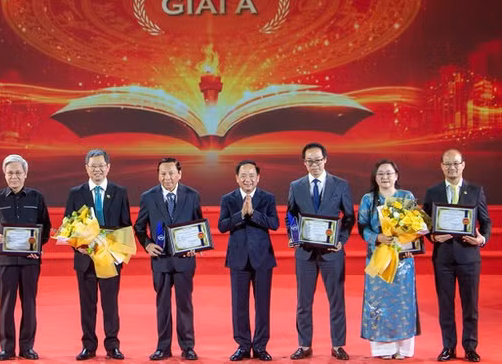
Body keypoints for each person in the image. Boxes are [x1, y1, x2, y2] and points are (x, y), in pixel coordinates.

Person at [286, 143, 355, 360]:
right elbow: (290, 215)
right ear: (304, 162)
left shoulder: (340, 185)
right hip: (305, 254)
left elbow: (349, 217)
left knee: (336, 300)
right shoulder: (296, 186)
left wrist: (341, 240)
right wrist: (295, 236)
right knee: (303, 301)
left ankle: (338, 345)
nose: (314, 164)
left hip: (332, 253)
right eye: (309, 161)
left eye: (317, 160)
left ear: (325, 159)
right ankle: (304, 345)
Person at [422, 149, 492, 363]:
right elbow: (425, 223)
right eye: (447, 164)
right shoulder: (433, 192)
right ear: (441, 166)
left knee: (470, 304)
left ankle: (470, 346)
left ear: (463, 165)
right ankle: (448, 347)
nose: (451, 168)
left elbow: (486, 221)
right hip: (443, 257)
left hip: (469, 256)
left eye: (455, 163)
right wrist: (433, 237)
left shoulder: (475, 190)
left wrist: (482, 239)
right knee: (445, 304)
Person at [0, 154, 51, 361]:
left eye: (18, 173)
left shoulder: (37, 197)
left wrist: (39, 246)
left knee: (29, 303)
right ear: (4, 175)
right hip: (5, 261)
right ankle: (7, 348)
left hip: (30, 260)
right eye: (10, 173)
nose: (14, 177)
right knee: (6, 304)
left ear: (25, 174)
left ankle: (27, 347)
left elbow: (45, 225)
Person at [64, 149, 132, 360]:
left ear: (108, 167)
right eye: (93, 166)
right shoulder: (76, 193)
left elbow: (125, 225)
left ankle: (112, 346)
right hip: (85, 259)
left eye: (101, 165)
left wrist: (117, 253)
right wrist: (77, 245)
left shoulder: (119, 191)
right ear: (86, 168)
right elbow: (68, 225)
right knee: (87, 304)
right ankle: (88, 346)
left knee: (110, 304)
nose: (97, 170)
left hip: (110, 259)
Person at [134, 157, 203, 361]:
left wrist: (196, 246)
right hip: (160, 261)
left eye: (171, 173)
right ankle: (163, 347)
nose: (167, 177)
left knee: (185, 304)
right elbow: (139, 227)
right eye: (163, 173)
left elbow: (199, 225)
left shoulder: (192, 195)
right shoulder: (148, 197)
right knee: (162, 305)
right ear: (158, 175)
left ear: (179, 174)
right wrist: (147, 244)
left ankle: (188, 347)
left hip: (184, 260)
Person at [358, 159, 420, 360]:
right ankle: (383, 349)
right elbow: (362, 227)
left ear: (396, 175)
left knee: (403, 302)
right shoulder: (369, 199)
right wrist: (377, 237)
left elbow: (416, 226)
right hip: (379, 256)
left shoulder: (406, 196)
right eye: (380, 174)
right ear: (375, 178)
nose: (385, 177)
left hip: (403, 260)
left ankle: (403, 348)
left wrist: (412, 244)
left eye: (389, 173)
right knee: (378, 301)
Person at [218, 160, 279, 361]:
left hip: (262, 258)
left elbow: (274, 224)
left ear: (258, 177)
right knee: (239, 305)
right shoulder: (228, 199)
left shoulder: (267, 198)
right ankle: (243, 346)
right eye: (243, 175)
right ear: (237, 178)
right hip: (238, 259)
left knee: (263, 305)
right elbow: (222, 226)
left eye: (252, 175)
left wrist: (254, 214)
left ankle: (260, 346)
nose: (248, 179)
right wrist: (240, 214)